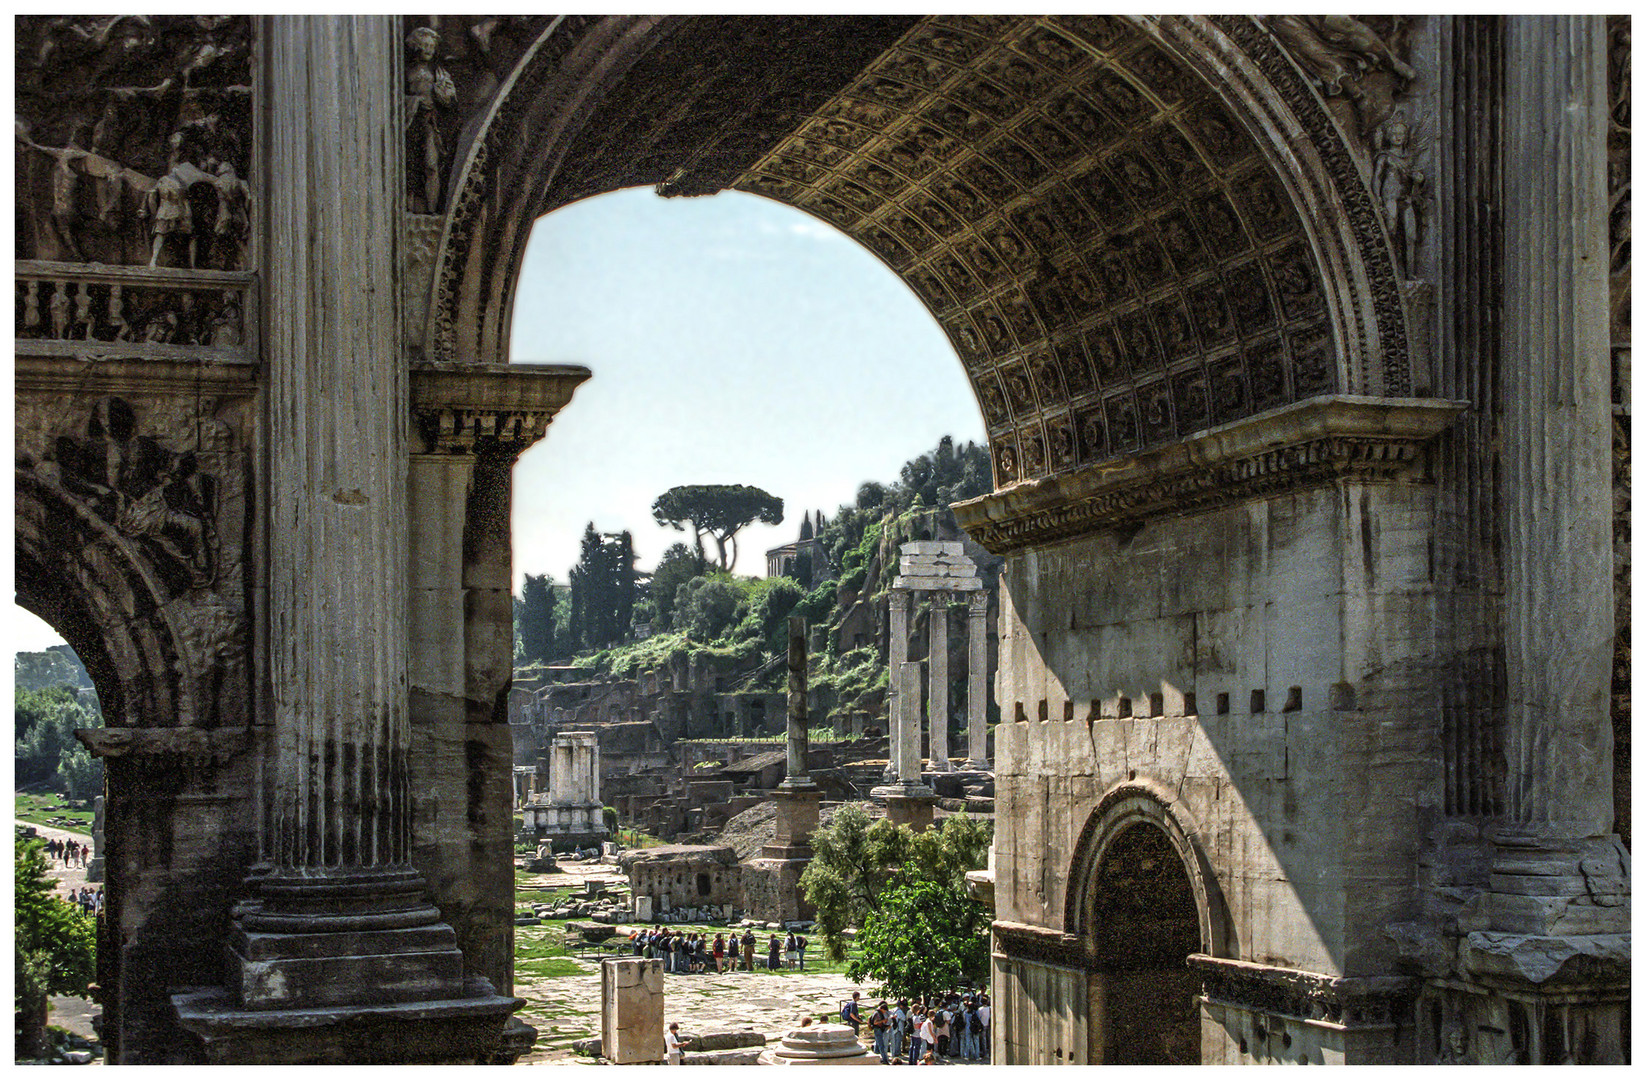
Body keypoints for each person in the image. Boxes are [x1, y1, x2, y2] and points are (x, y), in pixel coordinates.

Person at [977, 994, 991, 1061]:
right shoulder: (990, 1008)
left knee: (983, 1040)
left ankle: (985, 1053)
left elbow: (979, 1017)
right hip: (988, 1025)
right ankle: (990, 1052)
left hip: (982, 1025)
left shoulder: (980, 1009)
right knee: (989, 1039)